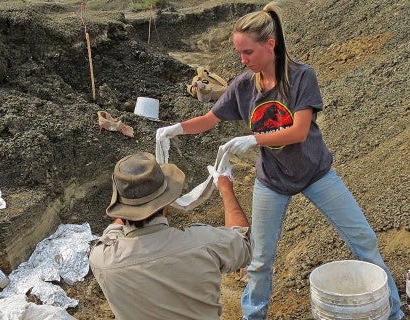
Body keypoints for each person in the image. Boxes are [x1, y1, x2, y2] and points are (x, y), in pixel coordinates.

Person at [155, 2, 404, 320]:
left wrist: (253, 139)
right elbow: (209, 119)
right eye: (239, 53)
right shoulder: (243, 85)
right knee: (260, 259)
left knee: (364, 240)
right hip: (272, 180)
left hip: (315, 172)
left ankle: (393, 312)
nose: (243, 60)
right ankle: (253, 315)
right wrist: (174, 130)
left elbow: (299, 131)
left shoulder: (301, 77)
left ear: (270, 45)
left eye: (248, 53)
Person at [89, 152, 252, 319]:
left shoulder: (102, 260)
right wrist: (226, 190)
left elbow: (114, 230)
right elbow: (244, 242)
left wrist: (131, 203)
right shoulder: (206, 243)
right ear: (166, 202)